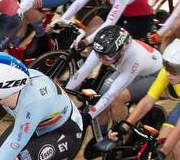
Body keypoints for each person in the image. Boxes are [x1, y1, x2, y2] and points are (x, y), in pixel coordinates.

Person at [68, 25, 163, 153]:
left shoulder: (135, 58)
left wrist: (89, 116)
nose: (100, 59)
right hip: (127, 69)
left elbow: (112, 93)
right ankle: (100, 136)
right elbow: (83, 71)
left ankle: (118, 136)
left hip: (151, 75)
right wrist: (63, 93)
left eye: (106, 56)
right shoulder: (106, 50)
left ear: (121, 51)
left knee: (116, 99)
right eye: (98, 54)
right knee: (100, 98)